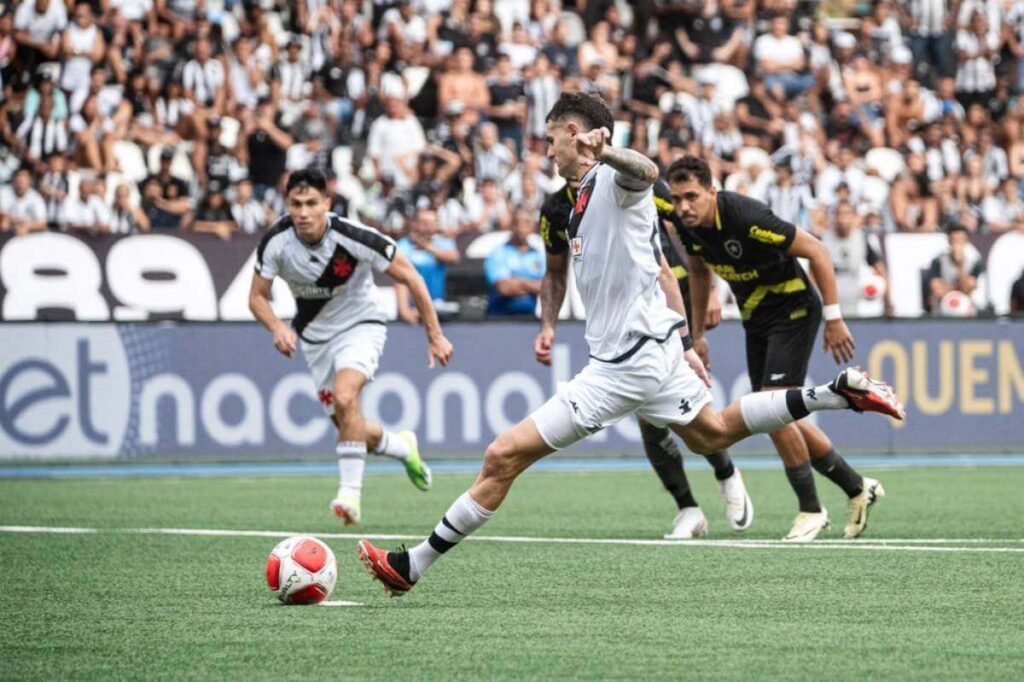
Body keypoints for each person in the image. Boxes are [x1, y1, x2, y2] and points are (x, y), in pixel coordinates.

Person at [358, 93, 904, 596]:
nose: (547, 151)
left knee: (503, 455)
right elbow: (663, 271)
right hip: (657, 351)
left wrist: (609, 150)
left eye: (551, 139)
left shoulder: (613, 181)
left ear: (576, 134)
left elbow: (645, 171)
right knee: (712, 433)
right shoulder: (574, 201)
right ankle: (836, 393)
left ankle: (412, 567)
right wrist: (685, 341)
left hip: (624, 365)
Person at [665, 154, 888, 542]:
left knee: (770, 405)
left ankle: (810, 510)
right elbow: (700, 275)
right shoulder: (688, 227)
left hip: (794, 308)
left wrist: (834, 318)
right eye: (678, 198)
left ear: (711, 193)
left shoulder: (745, 216)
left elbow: (817, 250)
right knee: (773, 412)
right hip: (757, 316)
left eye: (692, 197)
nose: (683, 206)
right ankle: (856, 487)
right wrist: (697, 335)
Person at [538, 168, 750, 540]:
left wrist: (709, 291)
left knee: (687, 413)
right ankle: (689, 507)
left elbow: (691, 229)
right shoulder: (556, 210)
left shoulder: (630, 182)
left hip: (674, 300)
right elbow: (555, 274)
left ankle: (725, 473)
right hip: (629, 316)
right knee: (652, 419)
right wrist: (548, 326)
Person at [249, 168, 453, 526]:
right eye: (296, 204)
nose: (303, 212)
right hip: (314, 338)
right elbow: (257, 298)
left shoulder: (355, 236)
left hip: (362, 326)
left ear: (327, 203)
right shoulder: (276, 241)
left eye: (312, 203)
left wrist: (434, 334)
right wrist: (276, 326)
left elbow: (411, 278)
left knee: (346, 398)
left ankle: (350, 496)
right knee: (346, 422)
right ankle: (401, 446)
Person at [484, 207, 545, 316]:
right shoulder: (498, 253)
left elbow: (547, 287)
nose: (521, 227)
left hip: (530, 320)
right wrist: (532, 286)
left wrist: (518, 283)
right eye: (517, 222)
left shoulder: (539, 255)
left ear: (533, 227)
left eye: (526, 222)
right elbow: (504, 288)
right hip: (499, 319)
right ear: (511, 226)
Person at [926, 224, 984, 315]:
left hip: (967, 310)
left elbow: (968, 289)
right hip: (943, 309)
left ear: (967, 242)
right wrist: (958, 287)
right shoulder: (938, 261)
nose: (957, 244)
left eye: (961, 240)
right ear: (949, 242)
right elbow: (937, 290)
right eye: (954, 240)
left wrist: (959, 265)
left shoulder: (975, 261)